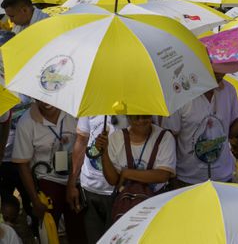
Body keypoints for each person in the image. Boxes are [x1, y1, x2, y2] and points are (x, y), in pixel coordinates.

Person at [162, 71, 238, 187]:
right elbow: (170, 136)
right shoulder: (180, 93)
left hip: (223, 176)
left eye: (223, 71)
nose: (220, 74)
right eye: (215, 70)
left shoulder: (229, 90)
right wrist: (172, 174)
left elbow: (231, 133)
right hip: (188, 179)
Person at [12, 100, 84, 243]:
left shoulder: (75, 113)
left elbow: (83, 144)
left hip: (75, 178)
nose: (46, 102)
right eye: (41, 97)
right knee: (48, 233)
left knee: (79, 232)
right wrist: (35, 199)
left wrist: (73, 182)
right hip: (47, 180)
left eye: (50, 97)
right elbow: (22, 165)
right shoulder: (26, 122)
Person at [94, 115, 175, 215]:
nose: (141, 120)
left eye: (146, 116)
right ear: (128, 117)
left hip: (157, 204)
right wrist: (104, 152)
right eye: (136, 117)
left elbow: (163, 176)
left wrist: (126, 173)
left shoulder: (165, 137)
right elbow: (112, 180)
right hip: (125, 206)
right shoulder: (116, 138)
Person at [67, 116, 124, 242]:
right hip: (89, 188)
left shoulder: (133, 107)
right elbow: (81, 141)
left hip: (118, 191)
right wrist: (72, 183)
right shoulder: (90, 103)